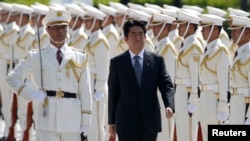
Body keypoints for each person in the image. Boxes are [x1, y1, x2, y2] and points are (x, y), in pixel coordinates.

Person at [6, 9, 92, 141]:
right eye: (55, 28)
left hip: (72, 120)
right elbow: (12, 78)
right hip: (47, 120)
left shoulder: (79, 57)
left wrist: (86, 121)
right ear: (47, 30)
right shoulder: (36, 56)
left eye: (63, 27)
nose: (60, 31)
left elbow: (85, 91)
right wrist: (31, 93)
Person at [108, 20, 175, 141]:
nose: (138, 38)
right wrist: (111, 122)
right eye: (133, 34)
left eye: (141, 34)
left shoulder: (157, 60)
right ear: (126, 39)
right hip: (125, 121)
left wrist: (169, 105)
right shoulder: (117, 62)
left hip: (149, 121)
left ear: (145, 37)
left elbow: (166, 84)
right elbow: (113, 93)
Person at [198, 14, 231, 141]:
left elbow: (224, 81)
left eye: (205, 28)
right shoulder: (209, 48)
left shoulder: (220, 50)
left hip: (215, 101)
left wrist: (223, 107)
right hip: (206, 100)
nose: (201, 31)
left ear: (215, 29)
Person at [174, 10, 203, 141]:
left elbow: (196, 75)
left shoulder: (194, 47)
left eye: (182, 25)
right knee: (181, 131)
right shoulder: (185, 45)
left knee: (189, 133)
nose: (178, 28)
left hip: (187, 94)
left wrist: (193, 99)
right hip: (180, 92)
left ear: (191, 27)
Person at [150, 12, 177, 141]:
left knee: (165, 135)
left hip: (163, 99)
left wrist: (169, 104)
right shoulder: (159, 46)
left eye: (156, 26)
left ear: (165, 28)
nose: (153, 28)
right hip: (155, 98)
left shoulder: (168, 48)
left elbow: (169, 80)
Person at [228, 15, 250, 124]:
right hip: (235, 105)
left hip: (245, 107)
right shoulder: (238, 52)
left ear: (247, 33)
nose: (232, 34)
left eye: (235, 31)